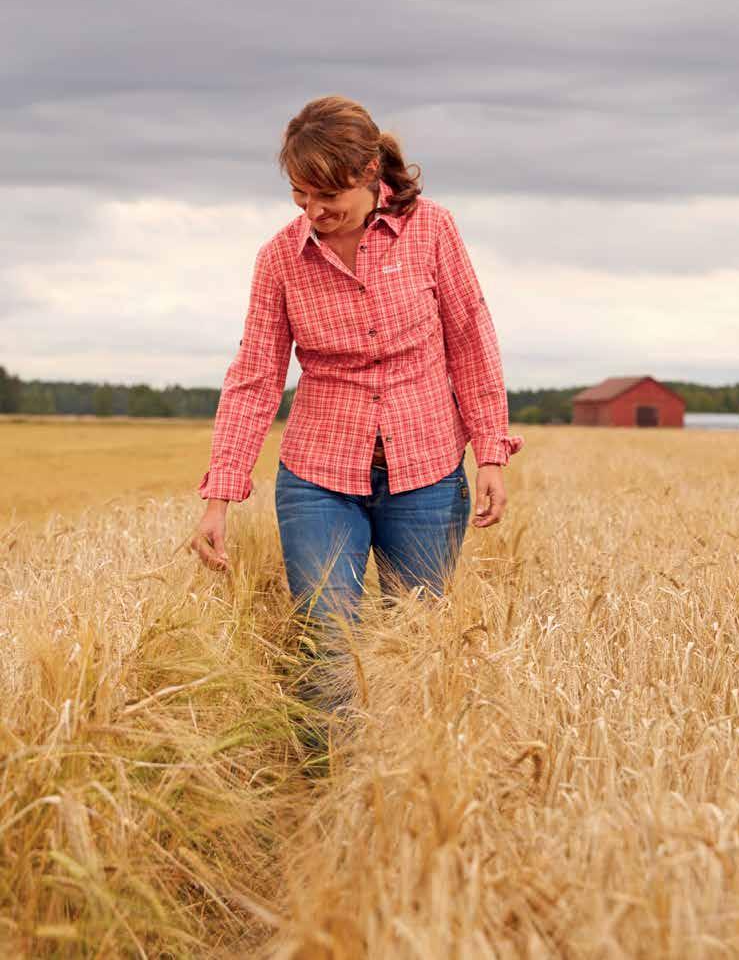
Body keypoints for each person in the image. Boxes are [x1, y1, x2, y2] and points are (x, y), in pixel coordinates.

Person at [191, 95, 522, 634]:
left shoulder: (433, 229)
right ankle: (328, 724)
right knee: (327, 641)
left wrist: (490, 453)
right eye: (300, 195)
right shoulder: (278, 259)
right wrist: (219, 498)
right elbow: (254, 378)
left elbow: (471, 339)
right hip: (318, 477)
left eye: (328, 195)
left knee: (413, 644)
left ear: (370, 172)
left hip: (428, 474)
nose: (314, 211)